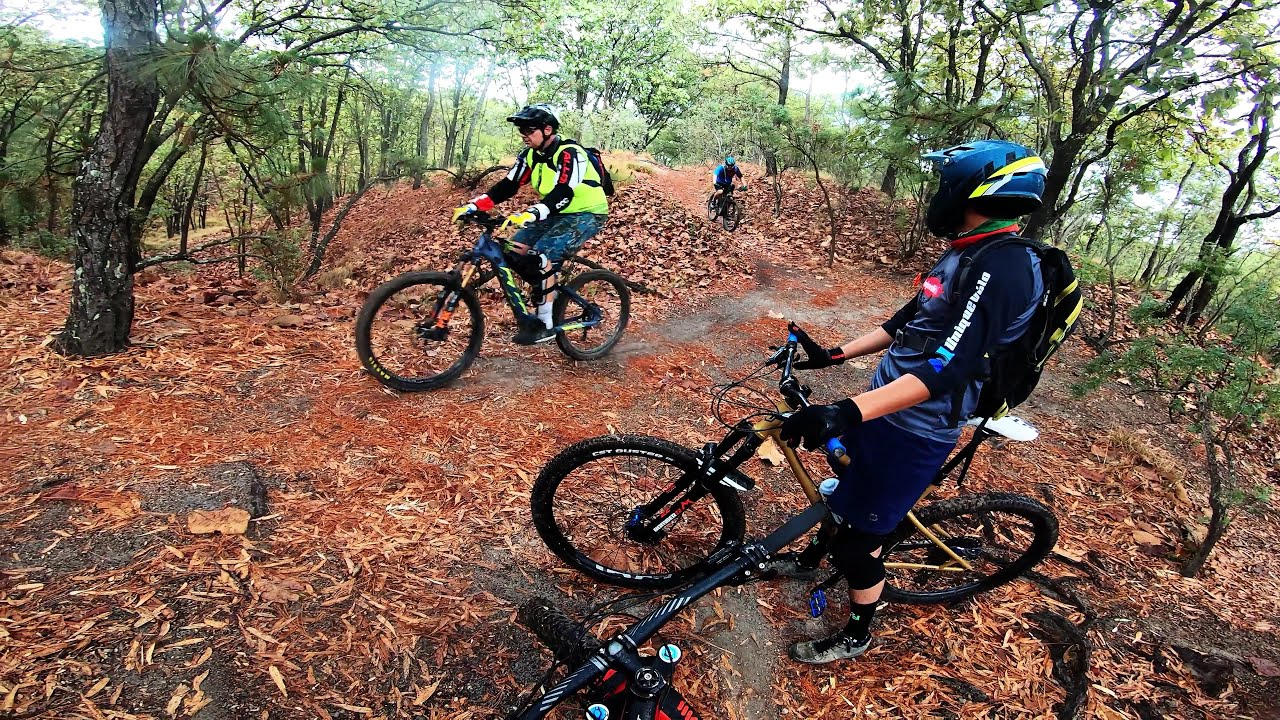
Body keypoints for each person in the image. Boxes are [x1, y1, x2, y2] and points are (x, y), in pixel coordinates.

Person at [775, 140, 1049, 664]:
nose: (938, 194)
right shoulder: (968, 250)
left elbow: (949, 367)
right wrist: (833, 355)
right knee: (843, 482)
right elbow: (909, 320)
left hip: (916, 429)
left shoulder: (1006, 268)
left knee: (857, 545)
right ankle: (817, 557)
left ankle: (857, 633)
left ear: (974, 191)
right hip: (885, 406)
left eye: (946, 184)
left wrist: (845, 409)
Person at [452, 103, 609, 345]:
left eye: (529, 130)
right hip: (555, 212)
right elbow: (508, 186)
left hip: (587, 213)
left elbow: (564, 191)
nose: (524, 135)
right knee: (514, 251)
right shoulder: (530, 156)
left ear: (548, 129)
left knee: (541, 256)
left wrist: (532, 213)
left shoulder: (570, 153)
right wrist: (474, 205)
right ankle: (548, 288)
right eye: (521, 131)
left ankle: (545, 324)